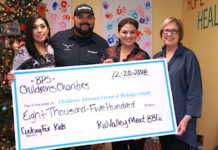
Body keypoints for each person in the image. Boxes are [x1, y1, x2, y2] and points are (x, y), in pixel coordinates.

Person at [49, 3, 109, 150]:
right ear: (73, 19)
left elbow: (106, 84)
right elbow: (43, 64)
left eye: (89, 17)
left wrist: (101, 131)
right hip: (59, 111)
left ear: (94, 20)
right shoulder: (57, 40)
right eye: (80, 17)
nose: (85, 21)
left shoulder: (102, 44)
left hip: (88, 113)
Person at [153, 17, 202, 150]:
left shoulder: (188, 56)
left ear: (180, 34)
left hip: (181, 122)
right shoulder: (157, 57)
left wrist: (186, 119)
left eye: (174, 31)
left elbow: (195, 91)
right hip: (163, 120)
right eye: (166, 30)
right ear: (161, 33)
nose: (169, 34)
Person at [101, 18, 150, 150]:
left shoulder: (143, 56)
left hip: (137, 114)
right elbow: (100, 84)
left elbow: (148, 88)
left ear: (137, 34)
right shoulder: (109, 53)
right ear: (118, 33)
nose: (128, 36)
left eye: (132, 32)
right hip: (115, 114)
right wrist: (103, 70)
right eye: (125, 32)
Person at [7, 14, 55, 81]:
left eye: (42, 26)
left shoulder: (51, 49)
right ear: (31, 32)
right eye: (34, 27)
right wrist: (11, 78)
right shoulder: (22, 52)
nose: (39, 30)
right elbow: (14, 82)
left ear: (48, 30)